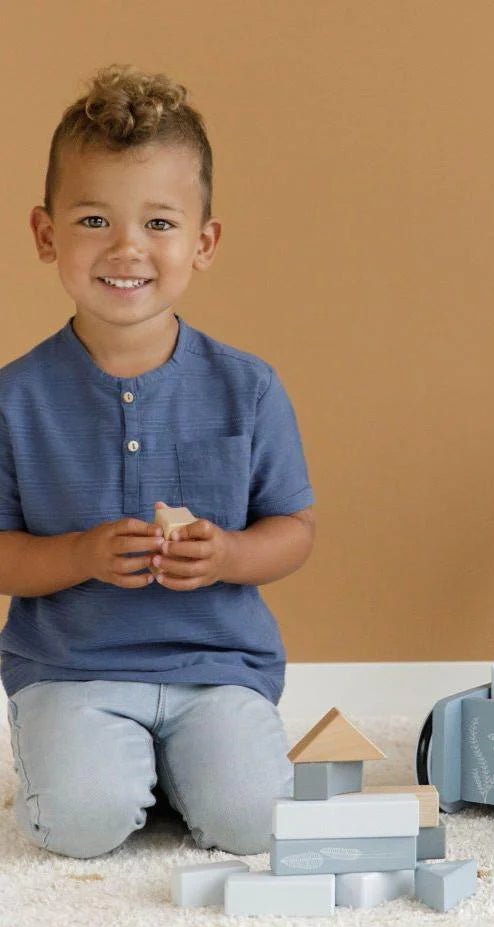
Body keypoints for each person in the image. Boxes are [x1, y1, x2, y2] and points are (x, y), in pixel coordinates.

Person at [0, 64, 316, 859]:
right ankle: (117, 773)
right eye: (95, 219)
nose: (128, 248)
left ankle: (180, 771)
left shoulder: (247, 387)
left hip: (216, 669)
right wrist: (80, 554)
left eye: (161, 224)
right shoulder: (16, 398)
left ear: (204, 242)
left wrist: (232, 553)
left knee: (255, 824)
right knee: (78, 826)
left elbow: (295, 527)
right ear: (46, 235)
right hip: (72, 672)